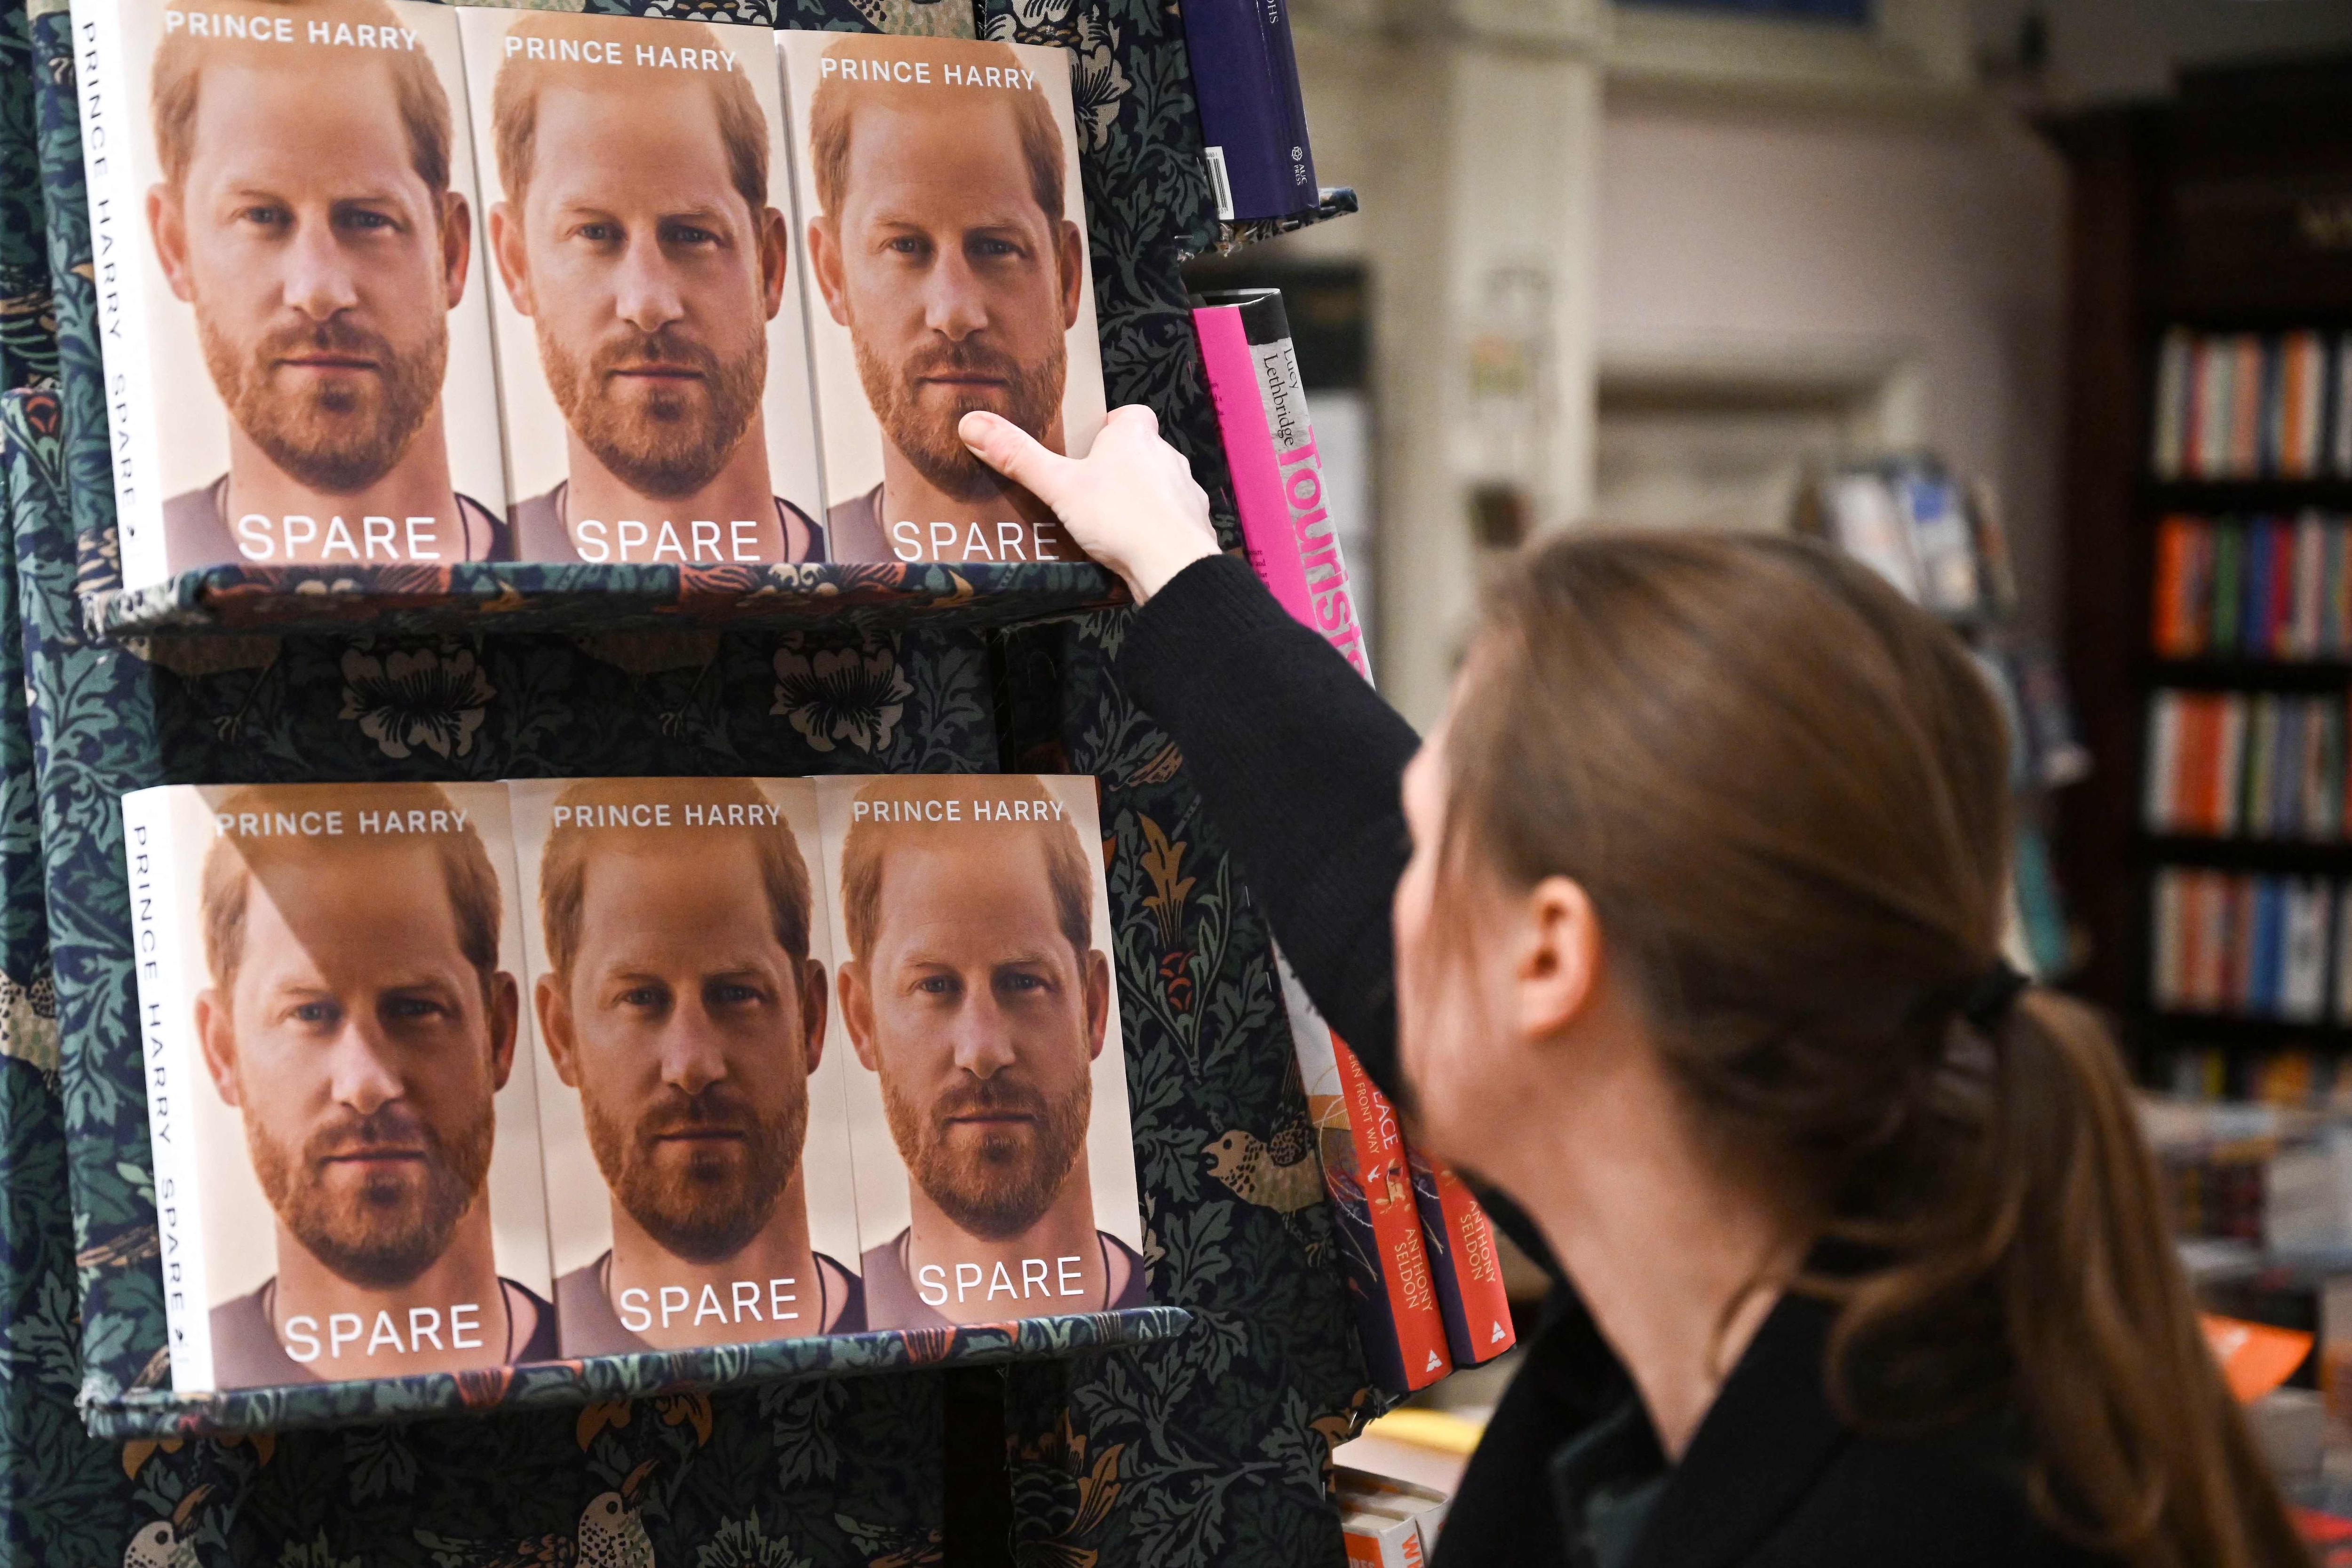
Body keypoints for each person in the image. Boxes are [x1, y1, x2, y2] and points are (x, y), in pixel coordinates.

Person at [954, 404, 2314, 1568]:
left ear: (1552, 959)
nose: (1398, 888)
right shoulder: (1807, 1237)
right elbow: (1361, 868)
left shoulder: (1909, 1512)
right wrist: (1177, 568)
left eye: (1437, 838)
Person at [194, 783, 551, 1386]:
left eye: (414, 1008)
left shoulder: (607, 1356)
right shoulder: (179, 1380)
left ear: (499, 1032)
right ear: (222, 1050)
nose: (366, 1084)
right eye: (310, 1013)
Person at [147, 0, 508, 567]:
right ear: (176, 245)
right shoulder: (122, 563)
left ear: (451, 253)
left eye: (367, 219)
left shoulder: (575, 568)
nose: (318, 290)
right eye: (261, 217)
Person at [532, 778, 860, 1354]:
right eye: (640, 998)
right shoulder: (521, 1359)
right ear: (562, 1033)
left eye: (736, 994)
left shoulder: (909, 1325)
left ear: (810, 1017)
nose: (692, 1065)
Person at [486, 15, 824, 564]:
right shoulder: (460, 570)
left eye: (691, 235)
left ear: (769, 263)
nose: (647, 303)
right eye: (594, 234)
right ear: (515, 261)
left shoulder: (883, 572)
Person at [834, 775, 1147, 1327]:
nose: (982, 1051)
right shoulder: (825, 1329)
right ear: (862, 1020)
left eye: (1023, 982)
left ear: (1093, 1006)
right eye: (934, 986)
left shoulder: (1190, 1291)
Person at [803, 37, 1086, 566]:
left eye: (996, 247)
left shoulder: (1160, 544)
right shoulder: (787, 570)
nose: (954, 314)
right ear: (832, 274)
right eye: (905, 246)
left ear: (1066, 276)